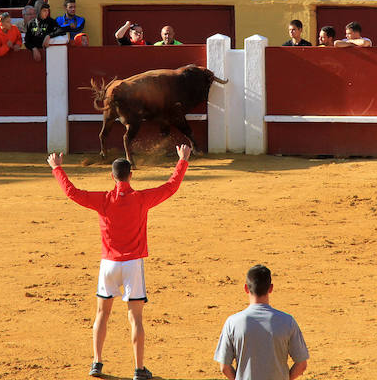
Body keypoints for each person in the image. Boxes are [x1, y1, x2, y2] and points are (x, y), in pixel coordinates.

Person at [47, 144, 191, 380]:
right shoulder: (142, 199)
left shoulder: (103, 200)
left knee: (102, 314)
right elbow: (171, 187)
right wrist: (182, 160)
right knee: (135, 318)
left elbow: (72, 192)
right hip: (133, 264)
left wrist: (57, 168)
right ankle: (139, 369)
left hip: (108, 264)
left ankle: (97, 362)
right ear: (131, 175)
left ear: (111, 177)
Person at [214, 264, 309, 380]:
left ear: (246, 288)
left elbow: (224, 367)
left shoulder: (232, 322)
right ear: (270, 288)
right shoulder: (287, 321)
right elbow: (302, 364)